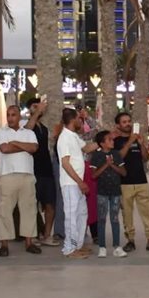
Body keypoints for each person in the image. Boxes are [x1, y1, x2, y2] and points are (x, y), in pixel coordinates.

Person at [0, 105, 41, 257]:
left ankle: (29, 242)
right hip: (7, 175)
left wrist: (14, 142)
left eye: (13, 115)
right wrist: (24, 147)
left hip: (27, 175)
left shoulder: (28, 133)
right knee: (4, 211)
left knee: (29, 210)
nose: (10, 118)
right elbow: (5, 149)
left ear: (19, 116)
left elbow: (34, 148)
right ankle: (4, 244)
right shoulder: (0, 132)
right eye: (8, 115)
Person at [111, 112, 149, 253]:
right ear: (118, 125)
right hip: (124, 182)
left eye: (129, 121)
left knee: (147, 213)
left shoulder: (137, 139)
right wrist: (130, 141)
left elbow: (145, 158)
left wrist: (141, 144)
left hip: (141, 180)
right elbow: (118, 157)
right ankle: (130, 240)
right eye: (124, 122)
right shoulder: (116, 141)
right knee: (127, 214)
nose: (128, 124)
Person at [24, 98, 60, 248]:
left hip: (47, 170)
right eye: (34, 106)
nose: (38, 108)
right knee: (32, 205)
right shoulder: (26, 125)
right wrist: (38, 110)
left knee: (50, 204)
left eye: (39, 106)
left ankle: (46, 235)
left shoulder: (44, 128)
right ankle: (32, 235)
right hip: (33, 171)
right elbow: (28, 129)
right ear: (29, 109)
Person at [57, 108, 90, 258]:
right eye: (78, 118)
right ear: (72, 120)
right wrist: (79, 182)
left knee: (81, 213)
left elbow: (86, 148)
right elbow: (65, 163)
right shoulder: (64, 137)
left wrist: (103, 141)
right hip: (70, 183)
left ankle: (78, 245)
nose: (80, 121)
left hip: (77, 183)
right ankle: (69, 248)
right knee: (71, 215)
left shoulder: (74, 136)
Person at [88, 130, 126, 258]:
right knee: (102, 219)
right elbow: (94, 175)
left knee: (115, 219)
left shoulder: (116, 154)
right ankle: (102, 247)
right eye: (109, 139)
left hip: (115, 191)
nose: (112, 141)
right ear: (102, 143)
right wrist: (106, 164)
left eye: (112, 139)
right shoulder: (96, 156)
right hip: (102, 192)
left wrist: (112, 165)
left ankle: (117, 246)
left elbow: (123, 172)